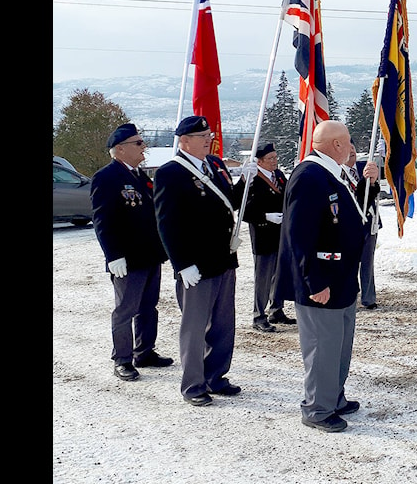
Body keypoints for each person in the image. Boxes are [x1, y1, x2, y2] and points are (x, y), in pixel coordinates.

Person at [276, 120, 379, 432]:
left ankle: (333, 396)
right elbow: (299, 234)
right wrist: (314, 282)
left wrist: (368, 186)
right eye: (348, 142)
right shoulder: (309, 175)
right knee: (323, 345)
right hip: (322, 280)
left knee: (339, 344)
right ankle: (317, 408)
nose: (351, 148)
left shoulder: (332, 172)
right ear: (336, 145)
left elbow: (348, 213)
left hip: (342, 276)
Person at [153, 115, 251, 406]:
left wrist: (246, 179)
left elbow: (231, 201)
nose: (209, 138)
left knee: (223, 323)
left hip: (223, 258)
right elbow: (166, 223)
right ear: (184, 141)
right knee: (195, 328)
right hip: (195, 264)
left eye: (209, 134)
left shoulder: (216, 165)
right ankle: (193, 385)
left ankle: (216, 376)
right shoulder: (171, 172)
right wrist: (181, 264)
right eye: (201, 136)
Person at [91, 123, 173, 382]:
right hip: (127, 259)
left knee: (149, 307)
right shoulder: (107, 177)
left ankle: (145, 352)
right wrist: (112, 255)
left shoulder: (140, 176)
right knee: (125, 310)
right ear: (120, 148)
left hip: (149, 255)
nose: (143, 147)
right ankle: (122, 358)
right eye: (138, 143)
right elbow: (103, 220)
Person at [241, 142, 296, 332]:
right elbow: (243, 209)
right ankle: (259, 315)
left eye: (275, 157)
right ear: (260, 161)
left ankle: (276, 309)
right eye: (270, 159)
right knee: (263, 278)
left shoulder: (279, 176)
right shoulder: (253, 179)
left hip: (281, 233)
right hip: (263, 233)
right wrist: (265, 217)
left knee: (279, 274)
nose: (275, 161)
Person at [345, 138, 380, 310]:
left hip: (369, 222)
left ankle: (369, 297)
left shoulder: (363, 168)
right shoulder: (339, 172)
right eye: (348, 148)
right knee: (350, 262)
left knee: (368, 262)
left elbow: (375, 191)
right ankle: (350, 295)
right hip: (350, 225)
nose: (352, 151)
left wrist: (373, 179)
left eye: (353, 147)